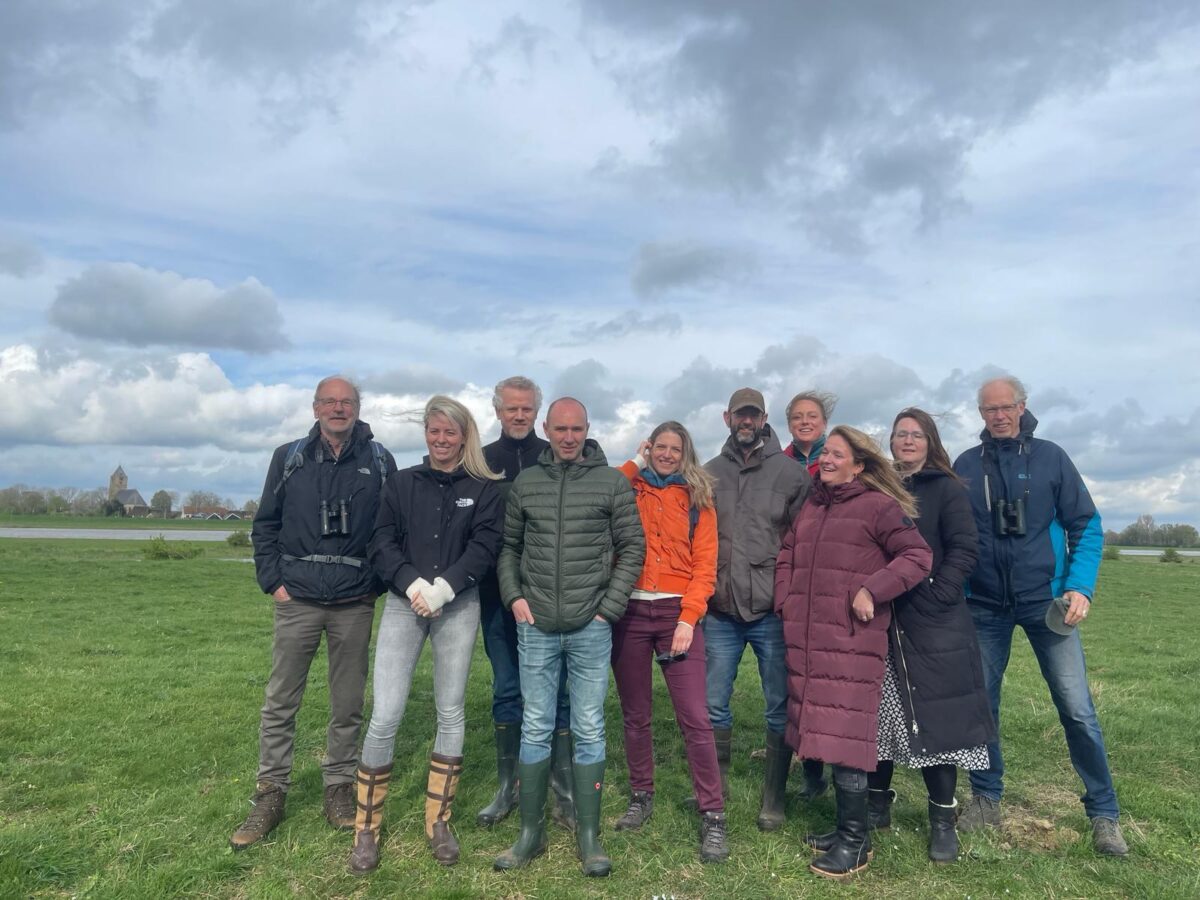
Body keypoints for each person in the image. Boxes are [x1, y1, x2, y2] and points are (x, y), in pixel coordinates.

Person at [953, 376, 1127, 856]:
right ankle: (985, 797)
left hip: (1047, 604)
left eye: (1006, 407)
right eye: (989, 410)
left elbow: (1086, 525)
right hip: (984, 605)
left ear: (1023, 406)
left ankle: (1104, 813)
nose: (999, 416)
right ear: (981, 414)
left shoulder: (1052, 457)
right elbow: (951, 530)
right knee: (981, 706)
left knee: (1076, 708)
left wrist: (1079, 586)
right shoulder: (967, 465)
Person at [232, 376, 396, 850]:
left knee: (347, 702)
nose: (338, 408)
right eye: (330, 401)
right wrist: (274, 583)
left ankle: (339, 787)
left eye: (346, 402)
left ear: (359, 408)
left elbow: (392, 528)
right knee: (281, 700)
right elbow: (265, 525)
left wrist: (374, 584)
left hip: (353, 601)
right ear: (315, 407)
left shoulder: (380, 460)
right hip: (298, 598)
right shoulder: (289, 458)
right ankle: (271, 792)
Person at [349, 396, 503, 872]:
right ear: (426, 434)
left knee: (450, 710)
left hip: (458, 605)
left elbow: (485, 546)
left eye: (450, 433)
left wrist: (445, 588)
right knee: (386, 713)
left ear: (464, 436)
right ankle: (366, 829)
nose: (441, 440)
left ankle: (439, 820)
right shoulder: (401, 483)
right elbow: (380, 540)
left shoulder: (485, 488)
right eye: (434, 431)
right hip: (402, 605)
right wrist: (413, 583)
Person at [493, 398, 645, 877]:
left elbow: (632, 546)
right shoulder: (527, 483)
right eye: (560, 428)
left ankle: (589, 836)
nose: (568, 437)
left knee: (589, 727)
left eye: (576, 428)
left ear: (587, 430)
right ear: (546, 428)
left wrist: (608, 609)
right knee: (536, 723)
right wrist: (514, 597)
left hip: (590, 626)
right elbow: (509, 548)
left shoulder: (611, 482)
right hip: (536, 625)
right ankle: (530, 833)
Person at [837, 408, 994, 863]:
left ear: (929, 442)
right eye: (899, 433)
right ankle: (876, 805)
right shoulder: (875, 487)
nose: (906, 441)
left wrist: (935, 595)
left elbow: (965, 549)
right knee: (879, 718)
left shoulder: (946, 488)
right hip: (881, 620)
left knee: (939, 722)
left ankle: (942, 821)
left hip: (934, 622)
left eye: (915, 434)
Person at [775, 425, 932, 879]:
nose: (826, 459)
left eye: (837, 455)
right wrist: (785, 598)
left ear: (859, 465)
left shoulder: (878, 507)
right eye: (825, 453)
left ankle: (854, 843)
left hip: (849, 641)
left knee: (846, 741)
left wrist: (872, 590)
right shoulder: (813, 505)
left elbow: (918, 557)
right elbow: (788, 553)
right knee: (825, 734)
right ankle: (848, 829)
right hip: (808, 642)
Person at [611, 422, 729, 863]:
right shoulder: (630, 488)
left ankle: (713, 814)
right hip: (631, 611)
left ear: (685, 453)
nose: (665, 454)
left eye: (673, 449)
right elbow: (603, 490)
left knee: (696, 718)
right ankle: (641, 794)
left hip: (678, 613)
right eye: (657, 447)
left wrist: (689, 618)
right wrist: (633, 462)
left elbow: (705, 565)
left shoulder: (698, 499)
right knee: (635, 714)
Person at [703, 387, 810, 831]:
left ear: (764, 418)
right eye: (739, 415)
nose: (746, 422)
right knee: (712, 704)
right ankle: (716, 787)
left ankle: (774, 796)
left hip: (770, 609)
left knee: (777, 705)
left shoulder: (791, 474)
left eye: (754, 415)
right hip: (719, 609)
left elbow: (803, 545)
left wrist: (788, 598)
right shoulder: (707, 473)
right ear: (727, 417)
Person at [476, 376, 575, 833]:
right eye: (511, 409)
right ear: (498, 411)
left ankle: (561, 784)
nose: (519, 416)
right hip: (497, 597)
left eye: (527, 409)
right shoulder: (482, 462)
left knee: (557, 692)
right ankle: (508, 784)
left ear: (537, 412)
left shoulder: (554, 455)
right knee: (508, 688)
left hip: (550, 597)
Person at [780, 389, 836, 799]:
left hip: (832, 579)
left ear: (824, 421)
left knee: (832, 678)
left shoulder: (837, 459)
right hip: (797, 576)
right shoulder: (779, 464)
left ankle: (844, 763)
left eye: (811, 415)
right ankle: (812, 770)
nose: (804, 421)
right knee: (802, 679)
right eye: (797, 416)